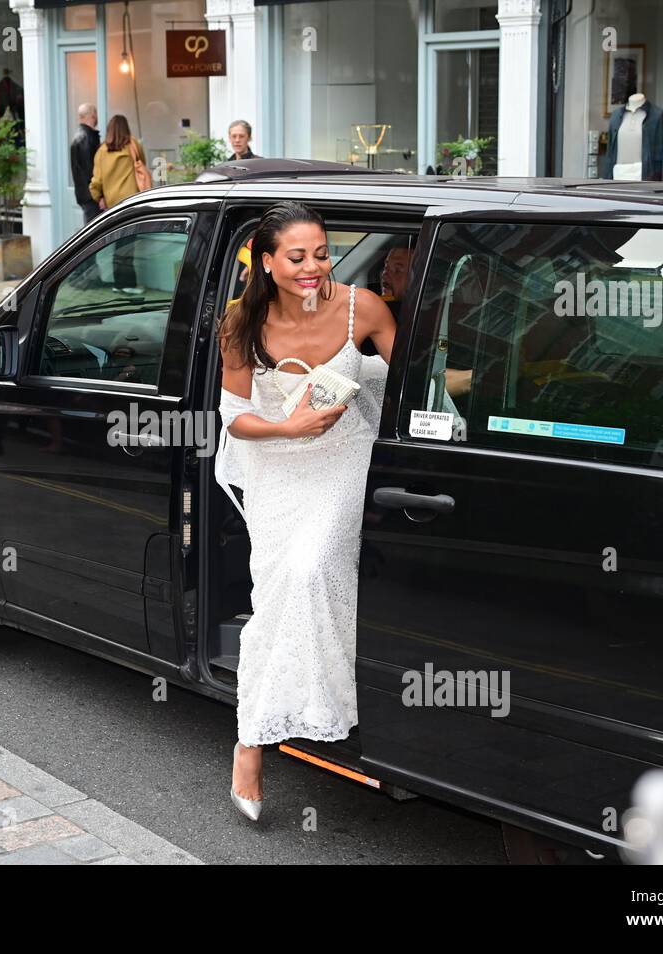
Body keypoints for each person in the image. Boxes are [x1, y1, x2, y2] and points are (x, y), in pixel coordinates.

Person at [215, 201, 396, 822]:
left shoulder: (362, 308)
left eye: (322, 253)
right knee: (277, 593)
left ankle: (284, 727)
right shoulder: (241, 323)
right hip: (276, 468)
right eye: (297, 257)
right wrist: (287, 426)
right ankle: (252, 739)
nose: (314, 268)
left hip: (344, 462)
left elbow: (412, 384)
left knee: (310, 569)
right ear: (266, 262)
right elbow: (233, 418)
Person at [90, 115, 149, 289]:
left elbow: (96, 180)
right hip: (133, 201)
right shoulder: (133, 145)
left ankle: (119, 283)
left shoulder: (102, 151)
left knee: (118, 242)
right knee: (128, 244)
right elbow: (142, 164)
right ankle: (127, 284)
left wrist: (98, 197)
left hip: (112, 204)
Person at [70, 103, 101, 225]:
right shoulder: (86, 138)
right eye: (96, 113)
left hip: (85, 194)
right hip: (91, 196)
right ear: (92, 115)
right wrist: (99, 195)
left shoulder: (80, 136)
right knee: (95, 235)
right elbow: (90, 170)